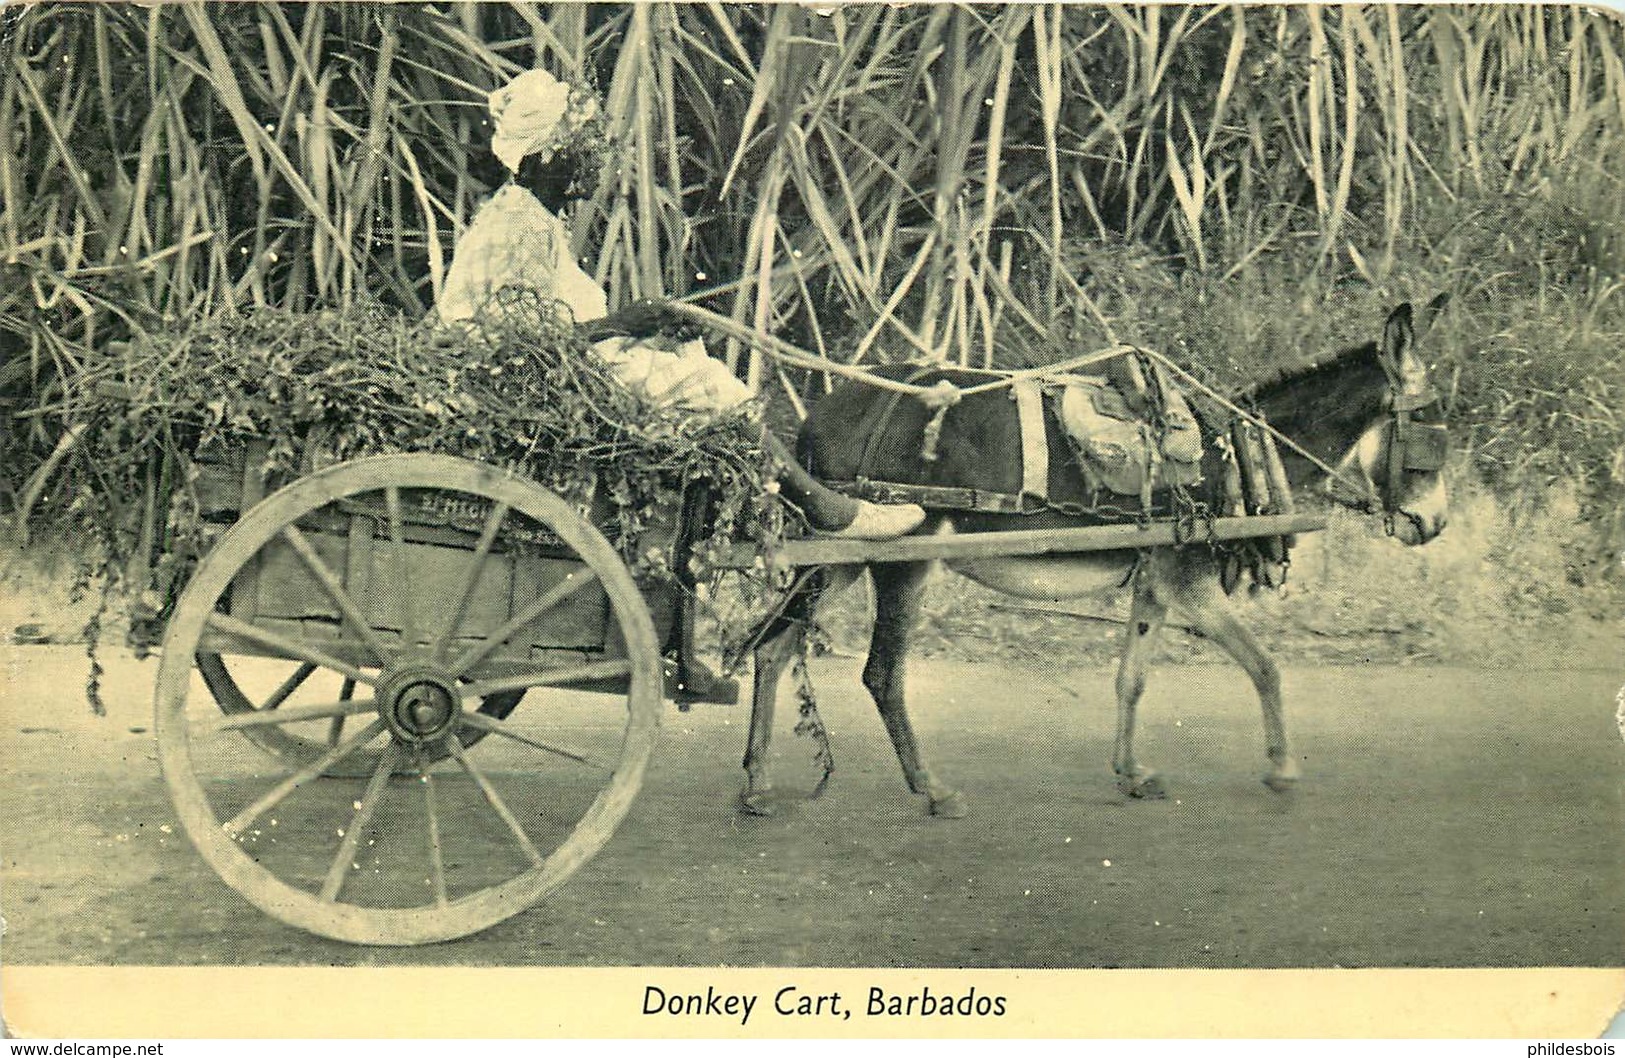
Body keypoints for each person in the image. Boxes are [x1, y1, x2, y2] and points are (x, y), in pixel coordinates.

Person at [436, 68, 926, 542]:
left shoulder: (537, 216)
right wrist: (621, 323)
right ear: (545, 160)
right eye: (584, 151)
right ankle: (822, 510)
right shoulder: (516, 226)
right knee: (708, 389)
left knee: (691, 366)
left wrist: (640, 329)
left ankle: (788, 507)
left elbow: (552, 319)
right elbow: (511, 340)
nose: (598, 162)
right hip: (523, 380)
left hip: (559, 369)